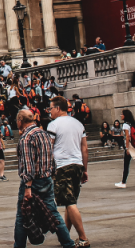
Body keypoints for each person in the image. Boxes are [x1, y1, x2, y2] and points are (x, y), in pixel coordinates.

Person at [13, 109, 74, 248]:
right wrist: (51, 174)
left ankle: (19, 245)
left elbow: (29, 165)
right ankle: (68, 243)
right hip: (46, 179)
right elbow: (52, 157)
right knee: (53, 212)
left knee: (22, 215)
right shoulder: (44, 134)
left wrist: (28, 187)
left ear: (20, 121)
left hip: (33, 182)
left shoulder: (26, 138)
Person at [47, 96, 88, 247]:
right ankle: (65, 236)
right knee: (70, 201)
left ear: (58, 108)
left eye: (50, 108)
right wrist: (85, 169)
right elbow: (84, 148)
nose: (49, 111)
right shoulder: (78, 123)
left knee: (69, 202)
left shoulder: (53, 125)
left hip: (62, 166)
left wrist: (48, 168)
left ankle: (83, 238)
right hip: (77, 165)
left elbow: (49, 149)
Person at [116, 109, 135, 188]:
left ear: (125, 115)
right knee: (126, 163)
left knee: (127, 164)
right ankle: (123, 182)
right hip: (134, 145)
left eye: (122, 114)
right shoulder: (132, 123)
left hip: (130, 146)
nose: (121, 115)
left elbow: (127, 137)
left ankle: (123, 183)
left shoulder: (125, 125)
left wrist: (127, 148)